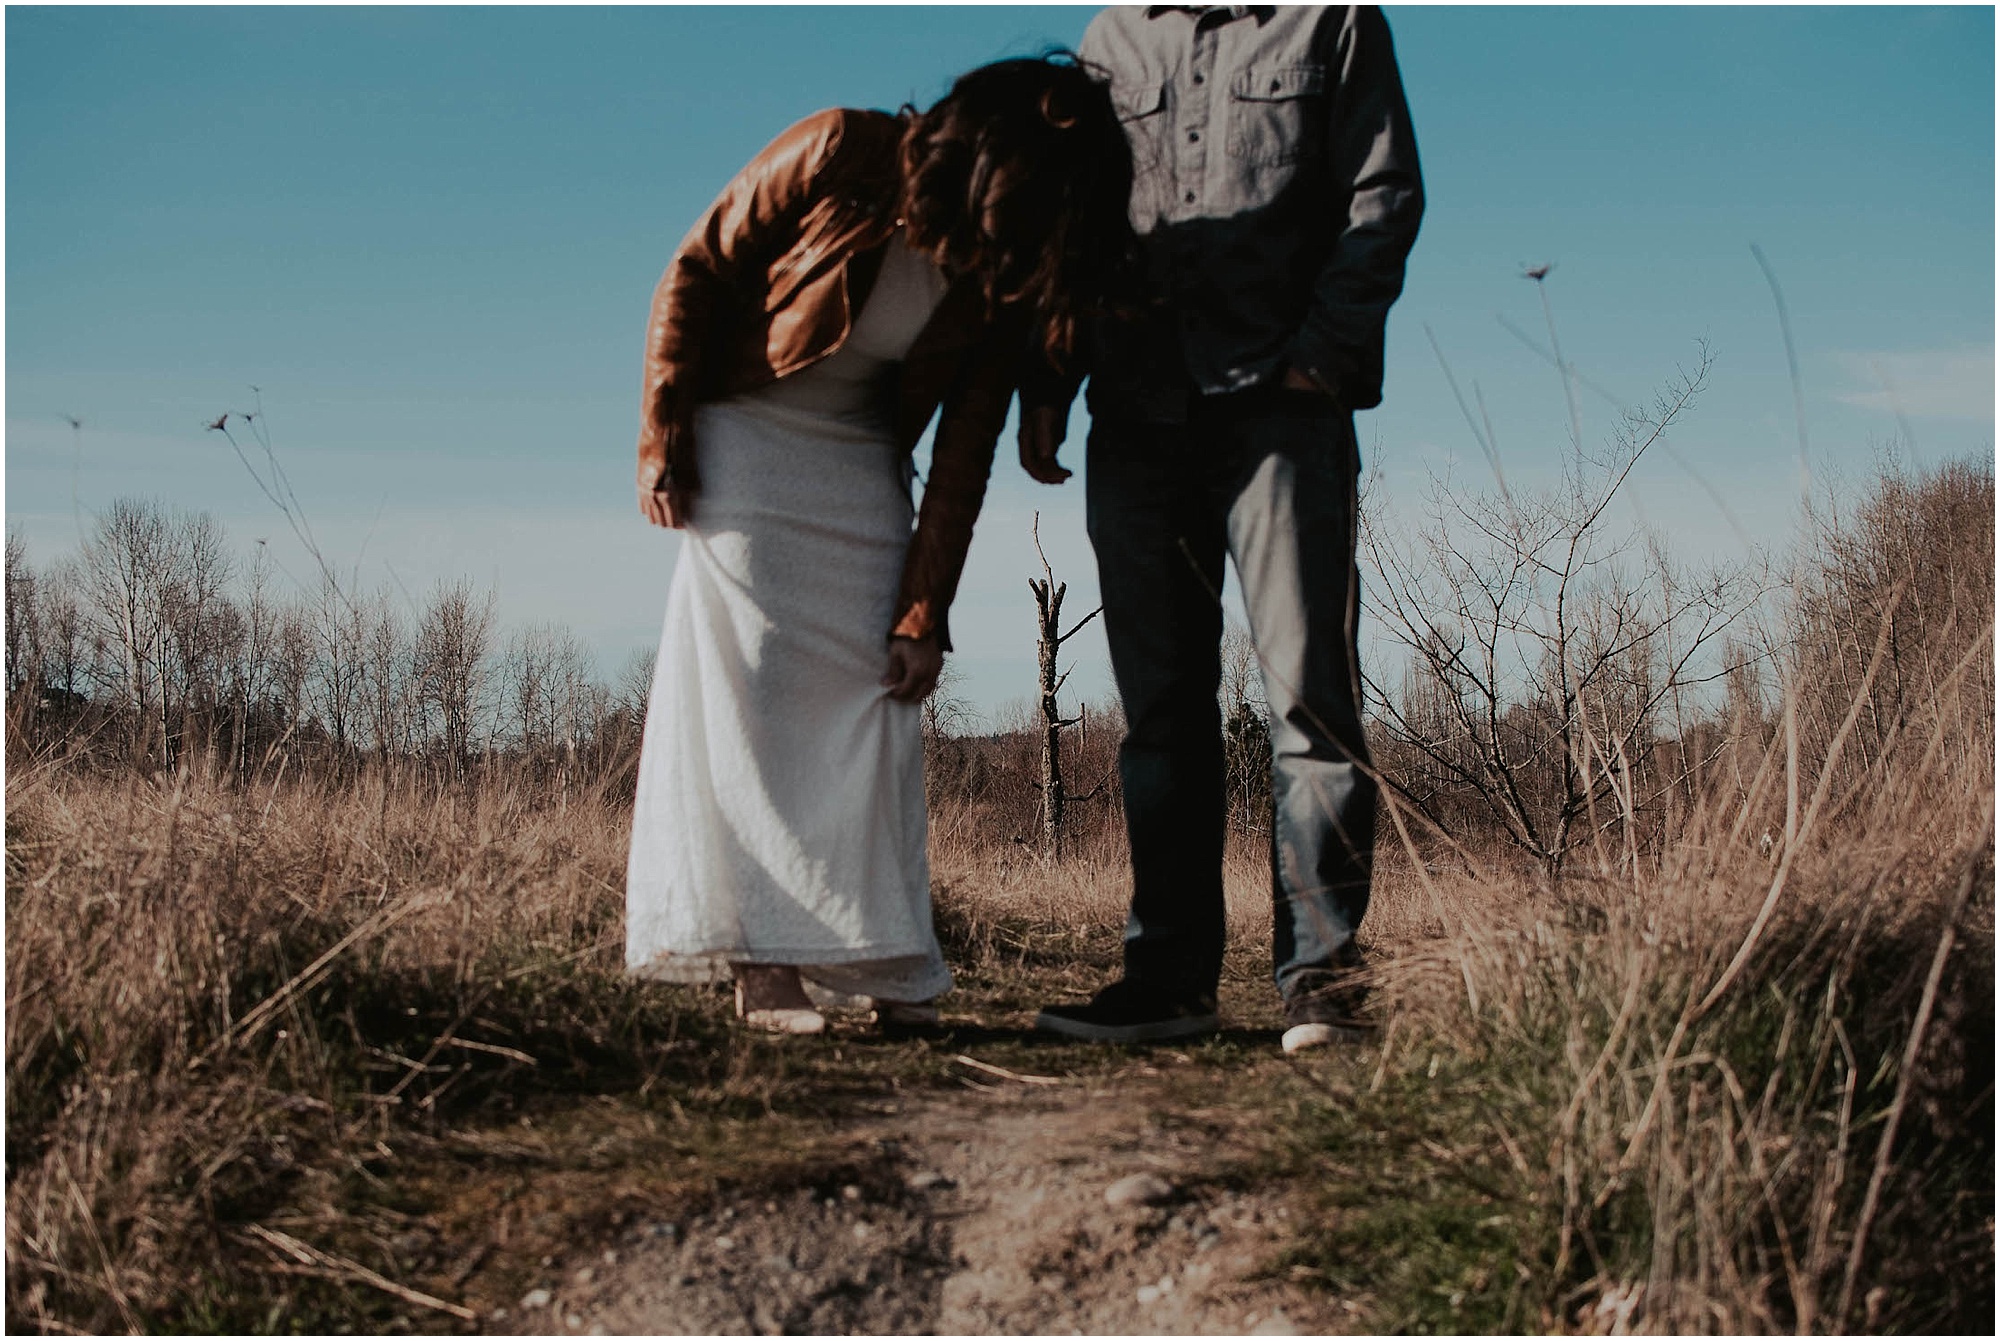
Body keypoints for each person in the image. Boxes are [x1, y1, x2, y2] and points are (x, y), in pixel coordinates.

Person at [625, 56, 1137, 1034]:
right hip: (744, 437)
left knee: (877, 696)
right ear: (977, 163)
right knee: (761, 696)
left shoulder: (1003, 265)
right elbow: (695, 267)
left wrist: (922, 612)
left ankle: (883, 962)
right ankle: (763, 963)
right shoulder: (835, 149)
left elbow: (964, 445)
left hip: (860, 457)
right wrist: (660, 433)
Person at [1024, 6, 1424, 1052]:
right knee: (1158, 716)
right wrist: (1047, 381)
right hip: (1136, 416)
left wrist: (1317, 357)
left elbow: (1380, 197)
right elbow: (1070, 226)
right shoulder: (1113, 38)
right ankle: (1166, 984)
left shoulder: (1331, 20)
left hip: (1281, 415)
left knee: (1311, 705)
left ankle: (1323, 986)